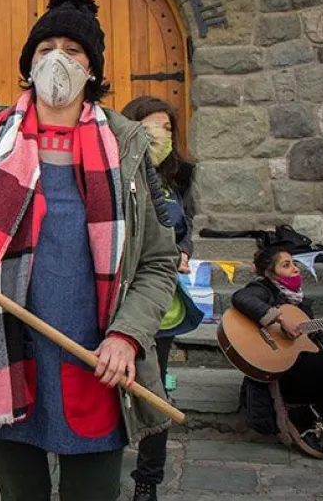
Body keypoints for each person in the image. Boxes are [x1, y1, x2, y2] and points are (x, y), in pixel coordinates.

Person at [0, 0, 178, 500]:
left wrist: (128, 334)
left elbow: (159, 261)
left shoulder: (126, 147)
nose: (58, 59)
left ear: (92, 69)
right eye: (46, 48)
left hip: (96, 360)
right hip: (5, 356)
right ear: (28, 64)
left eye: (73, 51)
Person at [122, 96, 203, 501]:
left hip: (163, 306)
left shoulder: (179, 178)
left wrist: (184, 249)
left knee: (155, 394)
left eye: (168, 129)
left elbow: (184, 226)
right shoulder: (116, 172)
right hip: (118, 304)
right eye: (153, 128)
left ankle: (147, 480)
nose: (162, 136)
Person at [232, 246, 323, 460]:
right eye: (286, 265)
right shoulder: (264, 289)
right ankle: (303, 416)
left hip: (302, 357)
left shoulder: (299, 301)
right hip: (282, 369)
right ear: (270, 273)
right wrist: (278, 318)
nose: (294, 268)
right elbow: (241, 297)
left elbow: (311, 341)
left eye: (294, 263)